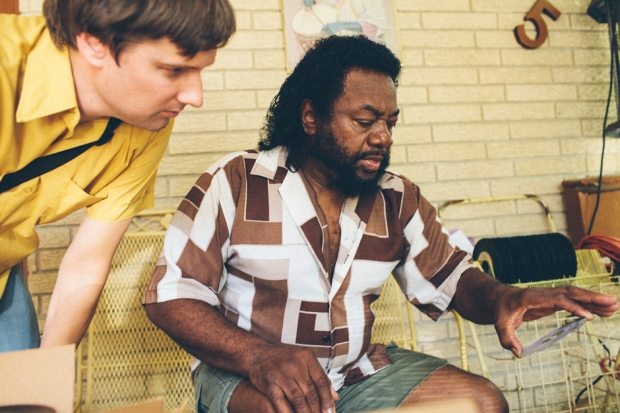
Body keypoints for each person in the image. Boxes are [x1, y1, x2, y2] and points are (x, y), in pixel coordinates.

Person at [144, 35, 620, 413]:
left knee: (481, 402)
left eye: (391, 120)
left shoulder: (397, 197)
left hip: (354, 372)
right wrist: (258, 356)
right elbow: (170, 296)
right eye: (365, 119)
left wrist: (504, 298)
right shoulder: (235, 181)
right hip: (246, 372)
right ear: (310, 116)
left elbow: (451, 280)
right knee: (285, 408)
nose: (383, 137)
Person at [0, 0, 236, 352]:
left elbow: (87, 261)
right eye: (173, 70)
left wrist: (48, 380)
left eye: (200, 71)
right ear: (94, 42)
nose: (195, 96)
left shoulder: (149, 124)